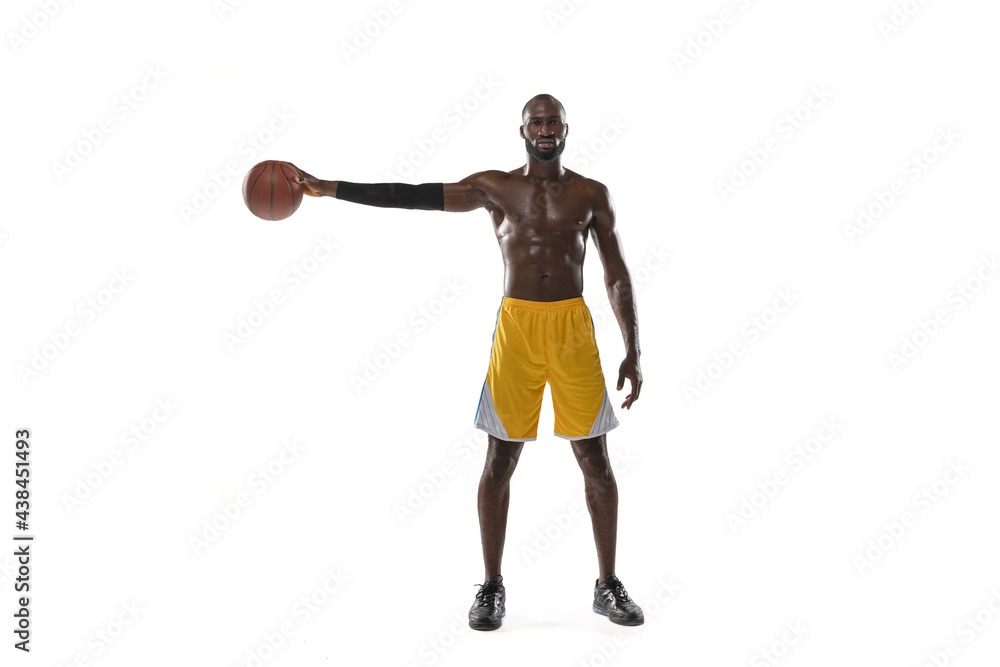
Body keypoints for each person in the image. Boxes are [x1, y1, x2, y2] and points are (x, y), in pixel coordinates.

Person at [289, 93, 643, 630]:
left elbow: (616, 274)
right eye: (536, 122)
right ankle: (492, 586)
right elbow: (411, 196)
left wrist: (633, 349)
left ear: (566, 129)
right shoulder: (494, 188)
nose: (545, 129)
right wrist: (329, 187)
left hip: (573, 329)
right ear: (522, 131)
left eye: (554, 121)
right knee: (500, 460)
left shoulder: (591, 194)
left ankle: (607, 584)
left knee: (595, 460)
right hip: (518, 329)